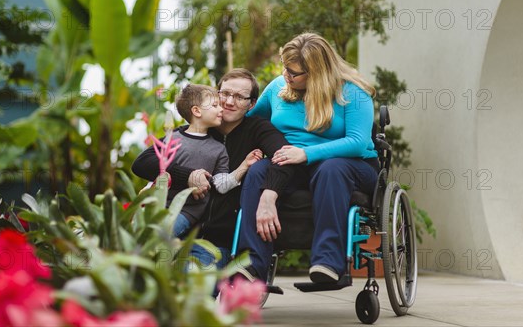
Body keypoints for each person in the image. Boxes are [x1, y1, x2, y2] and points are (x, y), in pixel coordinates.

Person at [237, 32, 379, 284]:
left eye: (294, 73)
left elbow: (358, 143)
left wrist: (306, 153)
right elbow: (251, 124)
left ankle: (328, 262)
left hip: (351, 166)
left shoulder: (353, 93)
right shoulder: (277, 89)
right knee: (259, 170)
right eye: (285, 68)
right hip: (292, 165)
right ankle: (252, 264)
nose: (286, 76)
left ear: (317, 73)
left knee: (331, 169)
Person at [131, 69, 295, 266]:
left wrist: (270, 194)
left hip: (215, 242)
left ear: (251, 104)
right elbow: (142, 163)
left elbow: (285, 157)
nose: (229, 102)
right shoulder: (194, 130)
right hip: (177, 226)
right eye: (224, 93)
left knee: (193, 288)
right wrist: (188, 175)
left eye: (240, 97)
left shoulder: (258, 130)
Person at [164, 83, 262, 238]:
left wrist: (244, 165)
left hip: (186, 212)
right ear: (196, 111)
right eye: (215, 105)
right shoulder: (173, 139)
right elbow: (157, 169)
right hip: (159, 206)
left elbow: (221, 185)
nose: (221, 109)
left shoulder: (218, 149)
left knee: (159, 236)